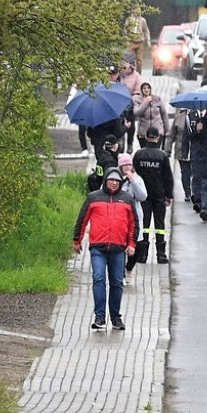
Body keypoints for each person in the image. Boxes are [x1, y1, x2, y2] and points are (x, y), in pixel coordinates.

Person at [73, 168, 137, 330]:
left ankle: (115, 318)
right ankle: (100, 317)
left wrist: (132, 244)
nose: (114, 183)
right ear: (105, 181)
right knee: (99, 279)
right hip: (98, 248)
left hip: (118, 249)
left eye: (117, 181)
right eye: (111, 180)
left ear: (121, 183)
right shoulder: (93, 198)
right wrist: (77, 240)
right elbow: (82, 219)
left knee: (116, 282)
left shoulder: (127, 199)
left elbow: (133, 224)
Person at [133, 126, 174, 263]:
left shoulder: (139, 155)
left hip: (142, 195)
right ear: (158, 138)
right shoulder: (162, 156)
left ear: (145, 137)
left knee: (143, 224)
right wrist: (169, 196)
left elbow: (134, 175)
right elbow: (168, 177)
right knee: (160, 225)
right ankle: (161, 255)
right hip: (159, 195)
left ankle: (142, 255)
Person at [117, 154, 148, 284]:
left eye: (129, 165)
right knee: (120, 247)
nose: (128, 167)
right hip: (119, 218)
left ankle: (129, 268)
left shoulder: (137, 179)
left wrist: (133, 181)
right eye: (125, 165)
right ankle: (120, 274)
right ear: (120, 166)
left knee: (137, 247)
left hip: (134, 218)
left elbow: (142, 196)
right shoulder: (115, 178)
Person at [168, 107, 194, 202]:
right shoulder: (179, 117)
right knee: (185, 172)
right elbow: (171, 135)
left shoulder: (198, 117)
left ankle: (196, 191)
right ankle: (187, 192)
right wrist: (168, 150)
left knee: (195, 172)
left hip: (195, 150)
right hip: (181, 150)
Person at [133, 82, 169, 150]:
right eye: (144, 88)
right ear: (141, 90)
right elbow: (136, 112)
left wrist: (166, 131)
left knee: (156, 151)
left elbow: (164, 114)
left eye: (148, 88)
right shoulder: (137, 100)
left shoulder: (157, 99)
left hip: (157, 131)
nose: (146, 90)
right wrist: (145, 102)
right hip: (144, 133)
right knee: (145, 152)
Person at [125, 6, 152, 73]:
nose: (138, 12)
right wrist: (126, 39)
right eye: (137, 10)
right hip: (131, 41)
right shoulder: (129, 20)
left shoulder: (143, 20)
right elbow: (125, 30)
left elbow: (146, 30)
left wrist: (148, 40)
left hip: (140, 42)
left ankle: (138, 74)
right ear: (133, 11)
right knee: (130, 59)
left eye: (139, 10)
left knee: (139, 61)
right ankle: (131, 73)